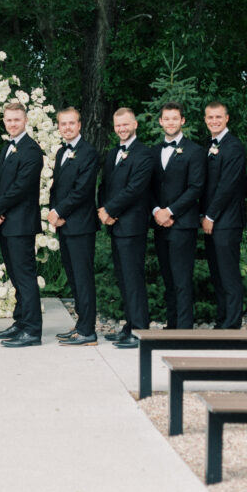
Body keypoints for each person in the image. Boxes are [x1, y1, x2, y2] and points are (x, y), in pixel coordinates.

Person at [0, 102, 45, 348]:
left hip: (21, 223)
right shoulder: (8, 147)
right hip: (6, 222)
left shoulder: (31, 150)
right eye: (9, 120)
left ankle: (32, 331)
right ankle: (20, 321)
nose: (12, 124)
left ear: (25, 120)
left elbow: (21, 187)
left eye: (16, 120)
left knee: (25, 277)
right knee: (15, 275)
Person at [98, 107, 155, 349]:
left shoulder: (144, 154)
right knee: (123, 278)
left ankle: (140, 329)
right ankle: (129, 325)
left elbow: (135, 189)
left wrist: (110, 210)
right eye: (118, 125)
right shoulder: (112, 153)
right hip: (115, 226)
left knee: (133, 279)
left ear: (135, 125)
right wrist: (103, 209)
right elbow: (105, 185)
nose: (122, 129)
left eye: (125, 124)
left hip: (132, 226)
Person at [48, 108, 101, 346]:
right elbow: (56, 188)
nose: (67, 127)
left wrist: (59, 211)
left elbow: (82, 190)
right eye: (63, 124)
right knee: (73, 277)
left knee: (83, 278)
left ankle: (88, 331)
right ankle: (80, 325)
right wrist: (53, 212)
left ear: (79, 125)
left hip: (81, 226)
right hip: (65, 225)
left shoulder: (88, 152)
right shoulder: (61, 152)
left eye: (71, 123)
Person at [151, 102, 204, 330]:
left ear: (182, 121)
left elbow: (195, 188)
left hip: (182, 224)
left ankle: (183, 330)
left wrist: (170, 212)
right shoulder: (153, 152)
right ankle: (171, 326)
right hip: (159, 225)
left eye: (175, 118)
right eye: (166, 118)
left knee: (182, 279)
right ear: (160, 121)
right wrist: (156, 211)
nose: (170, 122)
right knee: (168, 279)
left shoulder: (195, 151)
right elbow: (148, 187)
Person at [200, 102, 246, 329]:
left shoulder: (234, 146)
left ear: (227, 118)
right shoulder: (210, 144)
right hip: (212, 221)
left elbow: (227, 186)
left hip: (226, 221)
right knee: (217, 273)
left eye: (218, 117)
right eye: (210, 117)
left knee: (228, 274)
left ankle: (232, 322)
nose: (214, 121)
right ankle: (222, 319)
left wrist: (210, 215)